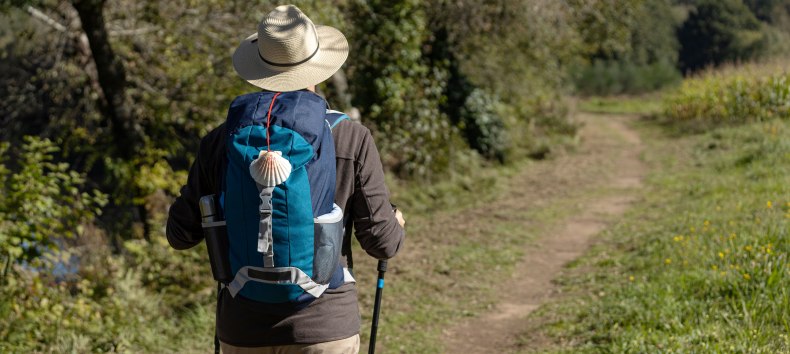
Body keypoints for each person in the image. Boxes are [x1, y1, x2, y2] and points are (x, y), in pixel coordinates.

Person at [166, 5, 405, 353]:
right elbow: (381, 243)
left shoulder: (221, 141)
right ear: (318, 66)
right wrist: (396, 224)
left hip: (242, 330)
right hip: (325, 327)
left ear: (257, 69)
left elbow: (179, 235)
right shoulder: (351, 137)